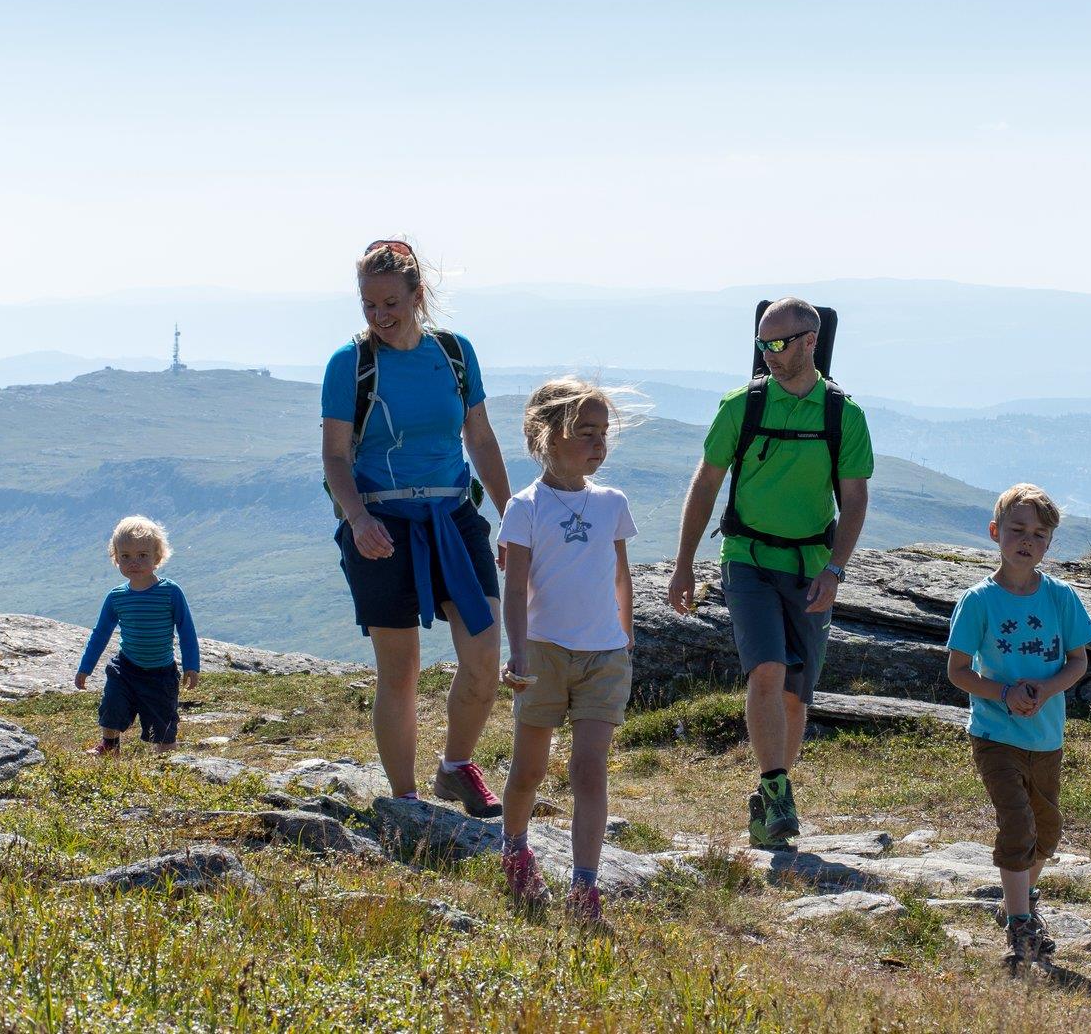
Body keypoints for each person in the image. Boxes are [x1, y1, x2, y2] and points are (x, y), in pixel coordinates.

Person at [666, 297, 872, 847]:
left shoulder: (842, 415)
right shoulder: (741, 407)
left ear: (812, 340)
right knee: (767, 671)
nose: (770, 355)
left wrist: (836, 569)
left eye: (780, 344)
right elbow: (706, 483)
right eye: (763, 344)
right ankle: (778, 792)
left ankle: (772, 789)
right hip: (748, 560)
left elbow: (853, 500)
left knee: (795, 697)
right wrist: (684, 563)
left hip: (810, 568)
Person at [319, 237, 512, 811]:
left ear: (417, 295)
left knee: (484, 660)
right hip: (380, 524)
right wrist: (357, 518)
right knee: (399, 670)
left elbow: (479, 437)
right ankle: (406, 802)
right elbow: (334, 456)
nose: (379, 317)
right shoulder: (350, 364)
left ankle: (456, 766)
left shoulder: (454, 353)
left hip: (453, 517)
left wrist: (512, 517)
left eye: (390, 304)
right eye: (368, 306)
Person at [493, 378, 638, 928]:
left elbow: (621, 574)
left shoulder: (613, 503)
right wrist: (518, 652)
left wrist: (626, 638)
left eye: (604, 434)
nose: (598, 446)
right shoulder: (524, 508)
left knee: (588, 770)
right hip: (544, 654)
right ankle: (515, 850)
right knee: (529, 769)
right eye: (585, 433)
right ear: (547, 436)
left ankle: (585, 886)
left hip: (604, 655)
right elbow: (517, 586)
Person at [945, 484, 1091, 971]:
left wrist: (1048, 689)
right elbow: (958, 671)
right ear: (995, 533)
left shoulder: (1061, 597)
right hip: (994, 735)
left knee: (1046, 832)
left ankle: (1021, 897)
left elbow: (1078, 662)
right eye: (1017, 530)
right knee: (1017, 824)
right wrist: (1005, 694)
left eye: (1039, 533)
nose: (1027, 540)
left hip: (1047, 737)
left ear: (1049, 544)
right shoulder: (978, 601)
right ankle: (1019, 923)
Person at [74, 515, 201, 755]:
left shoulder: (170, 592)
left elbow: (186, 630)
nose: (134, 562)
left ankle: (166, 759)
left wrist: (192, 665)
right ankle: (109, 747)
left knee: (163, 725)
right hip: (126, 668)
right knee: (112, 705)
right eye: (125, 556)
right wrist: (85, 668)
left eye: (142, 555)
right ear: (116, 558)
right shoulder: (116, 597)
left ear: (157, 557)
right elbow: (100, 634)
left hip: (160, 673)